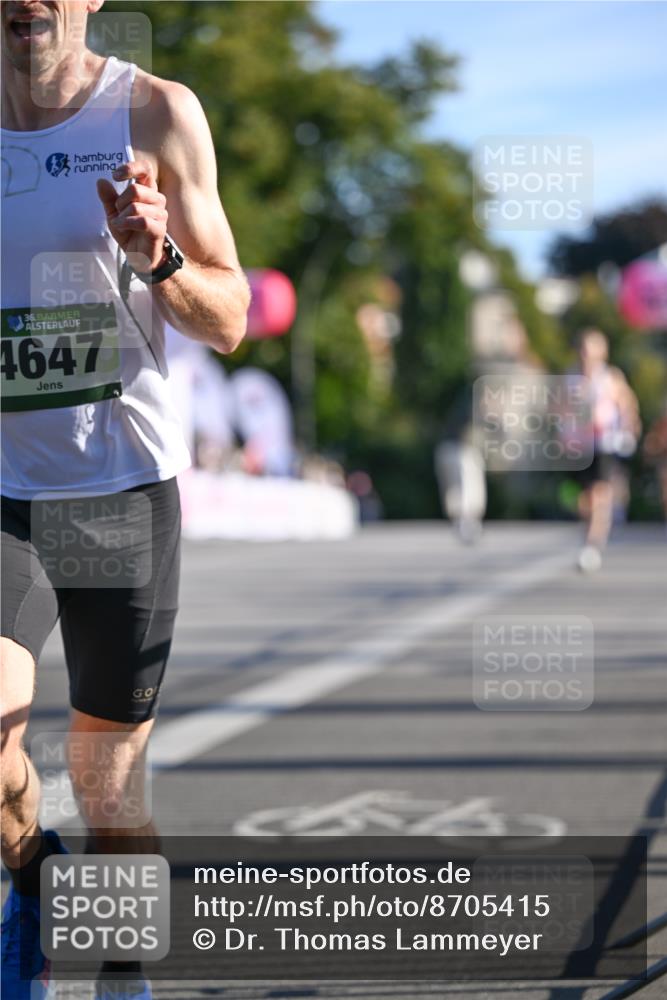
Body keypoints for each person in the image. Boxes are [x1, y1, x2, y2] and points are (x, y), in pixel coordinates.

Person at [1, 3, 250, 998]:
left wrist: (161, 259)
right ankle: (33, 883)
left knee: (109, 791)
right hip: (3, 495)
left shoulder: (154, 113)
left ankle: (121, 969)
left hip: (117, 491)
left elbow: (230, 317)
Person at [573, 329, 640, 572]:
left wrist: (629, 428)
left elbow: (627, 404)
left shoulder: (610, 377)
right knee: (584, 500)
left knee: (599, 493)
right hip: (580, 447)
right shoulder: (571, 378)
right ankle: (591, 537)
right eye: (583, 349)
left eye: (591, 349)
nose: (586, 355)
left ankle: (592, 545)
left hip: (605, 444)